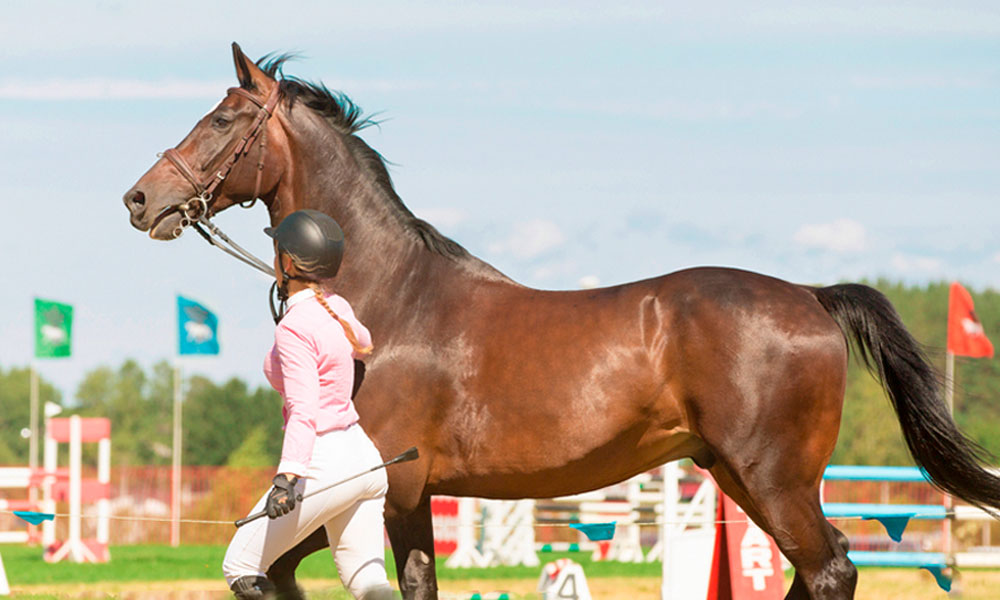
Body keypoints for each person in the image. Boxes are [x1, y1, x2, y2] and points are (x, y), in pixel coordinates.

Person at [223, 210, 394, 599]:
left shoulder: (294, 327)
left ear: (286, 262)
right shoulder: (336, 306)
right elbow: (363, 343)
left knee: (240, 565)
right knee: (367, 583)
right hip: (364, 457)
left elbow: (304, 409)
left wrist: (288, 478)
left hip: (323, 459)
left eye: (276, 252)